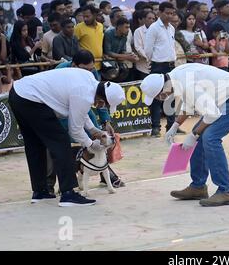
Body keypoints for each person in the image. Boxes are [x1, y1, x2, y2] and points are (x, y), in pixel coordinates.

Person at [8, 67, 125, 206]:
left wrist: (93, 130)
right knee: (61, 141)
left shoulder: (88, 80)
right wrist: (91, 144)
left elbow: (81, 111)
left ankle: (40, 192)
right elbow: (75, 130)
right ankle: (68, 194)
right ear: (102, 98)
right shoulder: (83, 94)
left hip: (18, 93)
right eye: (104, 104)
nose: (101, 106)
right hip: (31, 98)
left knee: (35, 144)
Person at [140, 63, 229, 206]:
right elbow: (189, 104)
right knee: (201, 137)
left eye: (159, 97)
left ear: (163, 90)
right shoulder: (175, 76)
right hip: (225, 96)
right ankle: (198, 187)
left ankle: (226, 191)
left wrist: (193, 135)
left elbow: (212, 114)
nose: (160, 99)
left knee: (210, 138)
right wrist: (175, 125)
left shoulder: (186, 85)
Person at [53, 50, 125, 189]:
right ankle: (64, 183)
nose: (89, 72)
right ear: (74, 65)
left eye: (91, 69)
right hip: (62, 112)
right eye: (85, 69)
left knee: (99, 140)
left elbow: (100, 95)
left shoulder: (91, 73)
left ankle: (106, 174)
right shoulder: (61, 70)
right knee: (66, 147)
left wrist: (106, 121)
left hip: (85, 108)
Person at [144, 2, 177, 137]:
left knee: (171, 97)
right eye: (167, 13)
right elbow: (148, 49)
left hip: (170, 65)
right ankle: (155, 127)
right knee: (156, 97)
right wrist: (153, 61)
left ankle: (171, 126)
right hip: (158, 65)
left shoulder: (171, 29)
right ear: (160, 13)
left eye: (171, 13)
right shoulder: (154, 28)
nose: (169, 16)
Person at [103, 17, 139, 82]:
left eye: (129, 27)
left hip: (118, 62)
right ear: (119, 27)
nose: (128, 29)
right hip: (107, 64)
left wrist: (131, 55)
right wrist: (126, 56)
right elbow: (108, 52)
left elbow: (122, 51)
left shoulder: (124, 36)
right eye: (126, 27)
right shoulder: (108, 34)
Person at [74, 5, 104, 72]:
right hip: (86, 66)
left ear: (94, 15)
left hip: (99, 64)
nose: (85, 19)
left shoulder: (100, 26)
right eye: (83, 16)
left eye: (87, 16)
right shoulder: (78, 28)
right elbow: (75, 44)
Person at [133, 11, 156, 80]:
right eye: (149, 18)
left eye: (153, 19)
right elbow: (138, 47)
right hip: (142, 66)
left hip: (156, 64)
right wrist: (148, 57)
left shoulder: (158, 30)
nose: (151, 20)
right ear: (144, 19)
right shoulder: (138, 31)